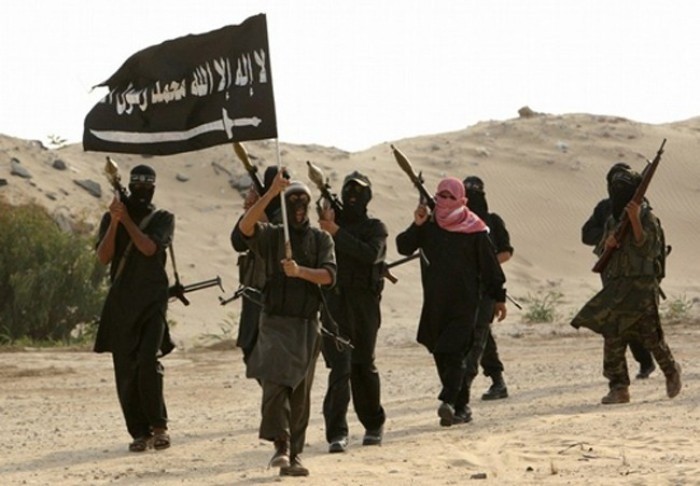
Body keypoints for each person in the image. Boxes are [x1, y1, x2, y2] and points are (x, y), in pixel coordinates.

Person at [237, 170, 336, 477]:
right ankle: (281, 443)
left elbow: (329, 276)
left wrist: (300, 272)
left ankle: (294, 456)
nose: (298, 206)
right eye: (292, 200)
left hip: (306, 325)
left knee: (300, 393)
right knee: (275, 384)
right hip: (274, 323)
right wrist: (269, 194)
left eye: (303, 201)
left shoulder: (321, 239)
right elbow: (245, 227)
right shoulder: (272, 235)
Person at [396, 177, 507, 426]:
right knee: (440, 351)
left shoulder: (475, 229)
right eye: (441, 196)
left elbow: (490, 267)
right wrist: (417, 224)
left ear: (461, 200)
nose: (445, 201)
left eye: (450, 197)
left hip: (465, 303)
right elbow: (403, 246)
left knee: (454, 352)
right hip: (435, 302)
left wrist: (499, 298)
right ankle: (460, 408)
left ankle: (448, 400)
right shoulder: (430, 225)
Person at [571, 167, 681, 404]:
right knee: (613, 336)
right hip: (617, 287)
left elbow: (646, 247)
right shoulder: (613, 219)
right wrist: (608, 242)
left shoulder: (648, 218)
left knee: (651, 337)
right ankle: (619, 387)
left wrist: (635, 220)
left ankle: (671, 371)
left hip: (641, 288)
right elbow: (602, 248)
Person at [94, 164, 175, 452]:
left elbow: (148, 248)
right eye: (137, 184)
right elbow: (104, 257)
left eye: (147, 185)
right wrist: (115, 222)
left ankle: (159, 427)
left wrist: (126, 220)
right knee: (125, 369)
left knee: (147, 362)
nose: (142, 189)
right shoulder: (111, 219)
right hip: (122, 303)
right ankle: (139, 432)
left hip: (152, 301)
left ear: (153, 187)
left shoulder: (162, 218)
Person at [317, 171, 387, 453]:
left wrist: (337, 232)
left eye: (359, 191)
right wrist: (328, 226)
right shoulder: (329, 226)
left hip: (365, 306)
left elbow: (370, 254)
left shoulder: (375, 227)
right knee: (340, 367)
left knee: (363, 365)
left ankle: (373, 424)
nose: (353, 197)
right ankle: (337, 433)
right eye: (349, 191)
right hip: (335, 305)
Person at [581, 162, 656, 379]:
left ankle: (655, 364)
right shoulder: (605, 208)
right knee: (619, 322)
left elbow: (648, 239)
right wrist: (609, 238)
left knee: (641, 322)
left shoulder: (641, 207)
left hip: (637, 272)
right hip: (612, 271)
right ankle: (622, 378)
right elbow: (587, 234)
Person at [461, 176, 514, 401]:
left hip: (487, 287)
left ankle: (464, 386)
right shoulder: (456, 221)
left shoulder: (493, 221)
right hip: (463, 287)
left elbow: (506, 252)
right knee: (482, 335)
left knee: (479, 333)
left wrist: (486, 263)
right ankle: (497, 380)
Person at [230, 167, 282, 364]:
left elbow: (277, 238)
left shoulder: (289, 211)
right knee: (250, 347)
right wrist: (250, 211)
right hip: (254, 289)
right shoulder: (258, 210)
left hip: (278, 291)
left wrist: (259, 212)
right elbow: (237, 242)